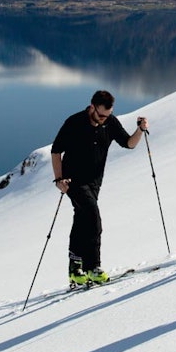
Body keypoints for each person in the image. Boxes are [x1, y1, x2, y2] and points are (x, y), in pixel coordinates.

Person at [51, 90, 147, 286]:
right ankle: (93, 267)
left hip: (95, 182)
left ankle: (75, 268)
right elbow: (56, 150)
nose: (104, 119)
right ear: (92, 107)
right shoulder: (75, 122)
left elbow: (128, 144)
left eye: (108, 115)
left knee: (82, 218)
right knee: (93, 218)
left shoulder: (110, 122)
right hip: (73, 181)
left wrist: (140, 130)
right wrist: (59, 179)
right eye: (101, 115)